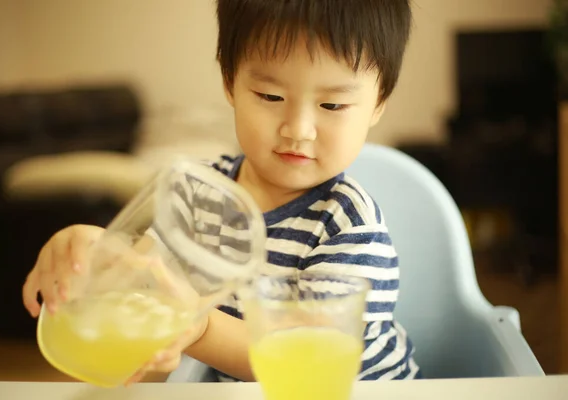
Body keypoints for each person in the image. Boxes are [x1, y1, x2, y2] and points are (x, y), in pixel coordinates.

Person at [22, 0, 420, 383]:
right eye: (271, 96)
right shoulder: (196, 194)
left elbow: (305, 358)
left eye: (332, 105)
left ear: (378, 102)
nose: (298, 129)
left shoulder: (350, 228)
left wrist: (198, 328)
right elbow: (143, 279)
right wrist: (94, 253)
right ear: (230, 82)